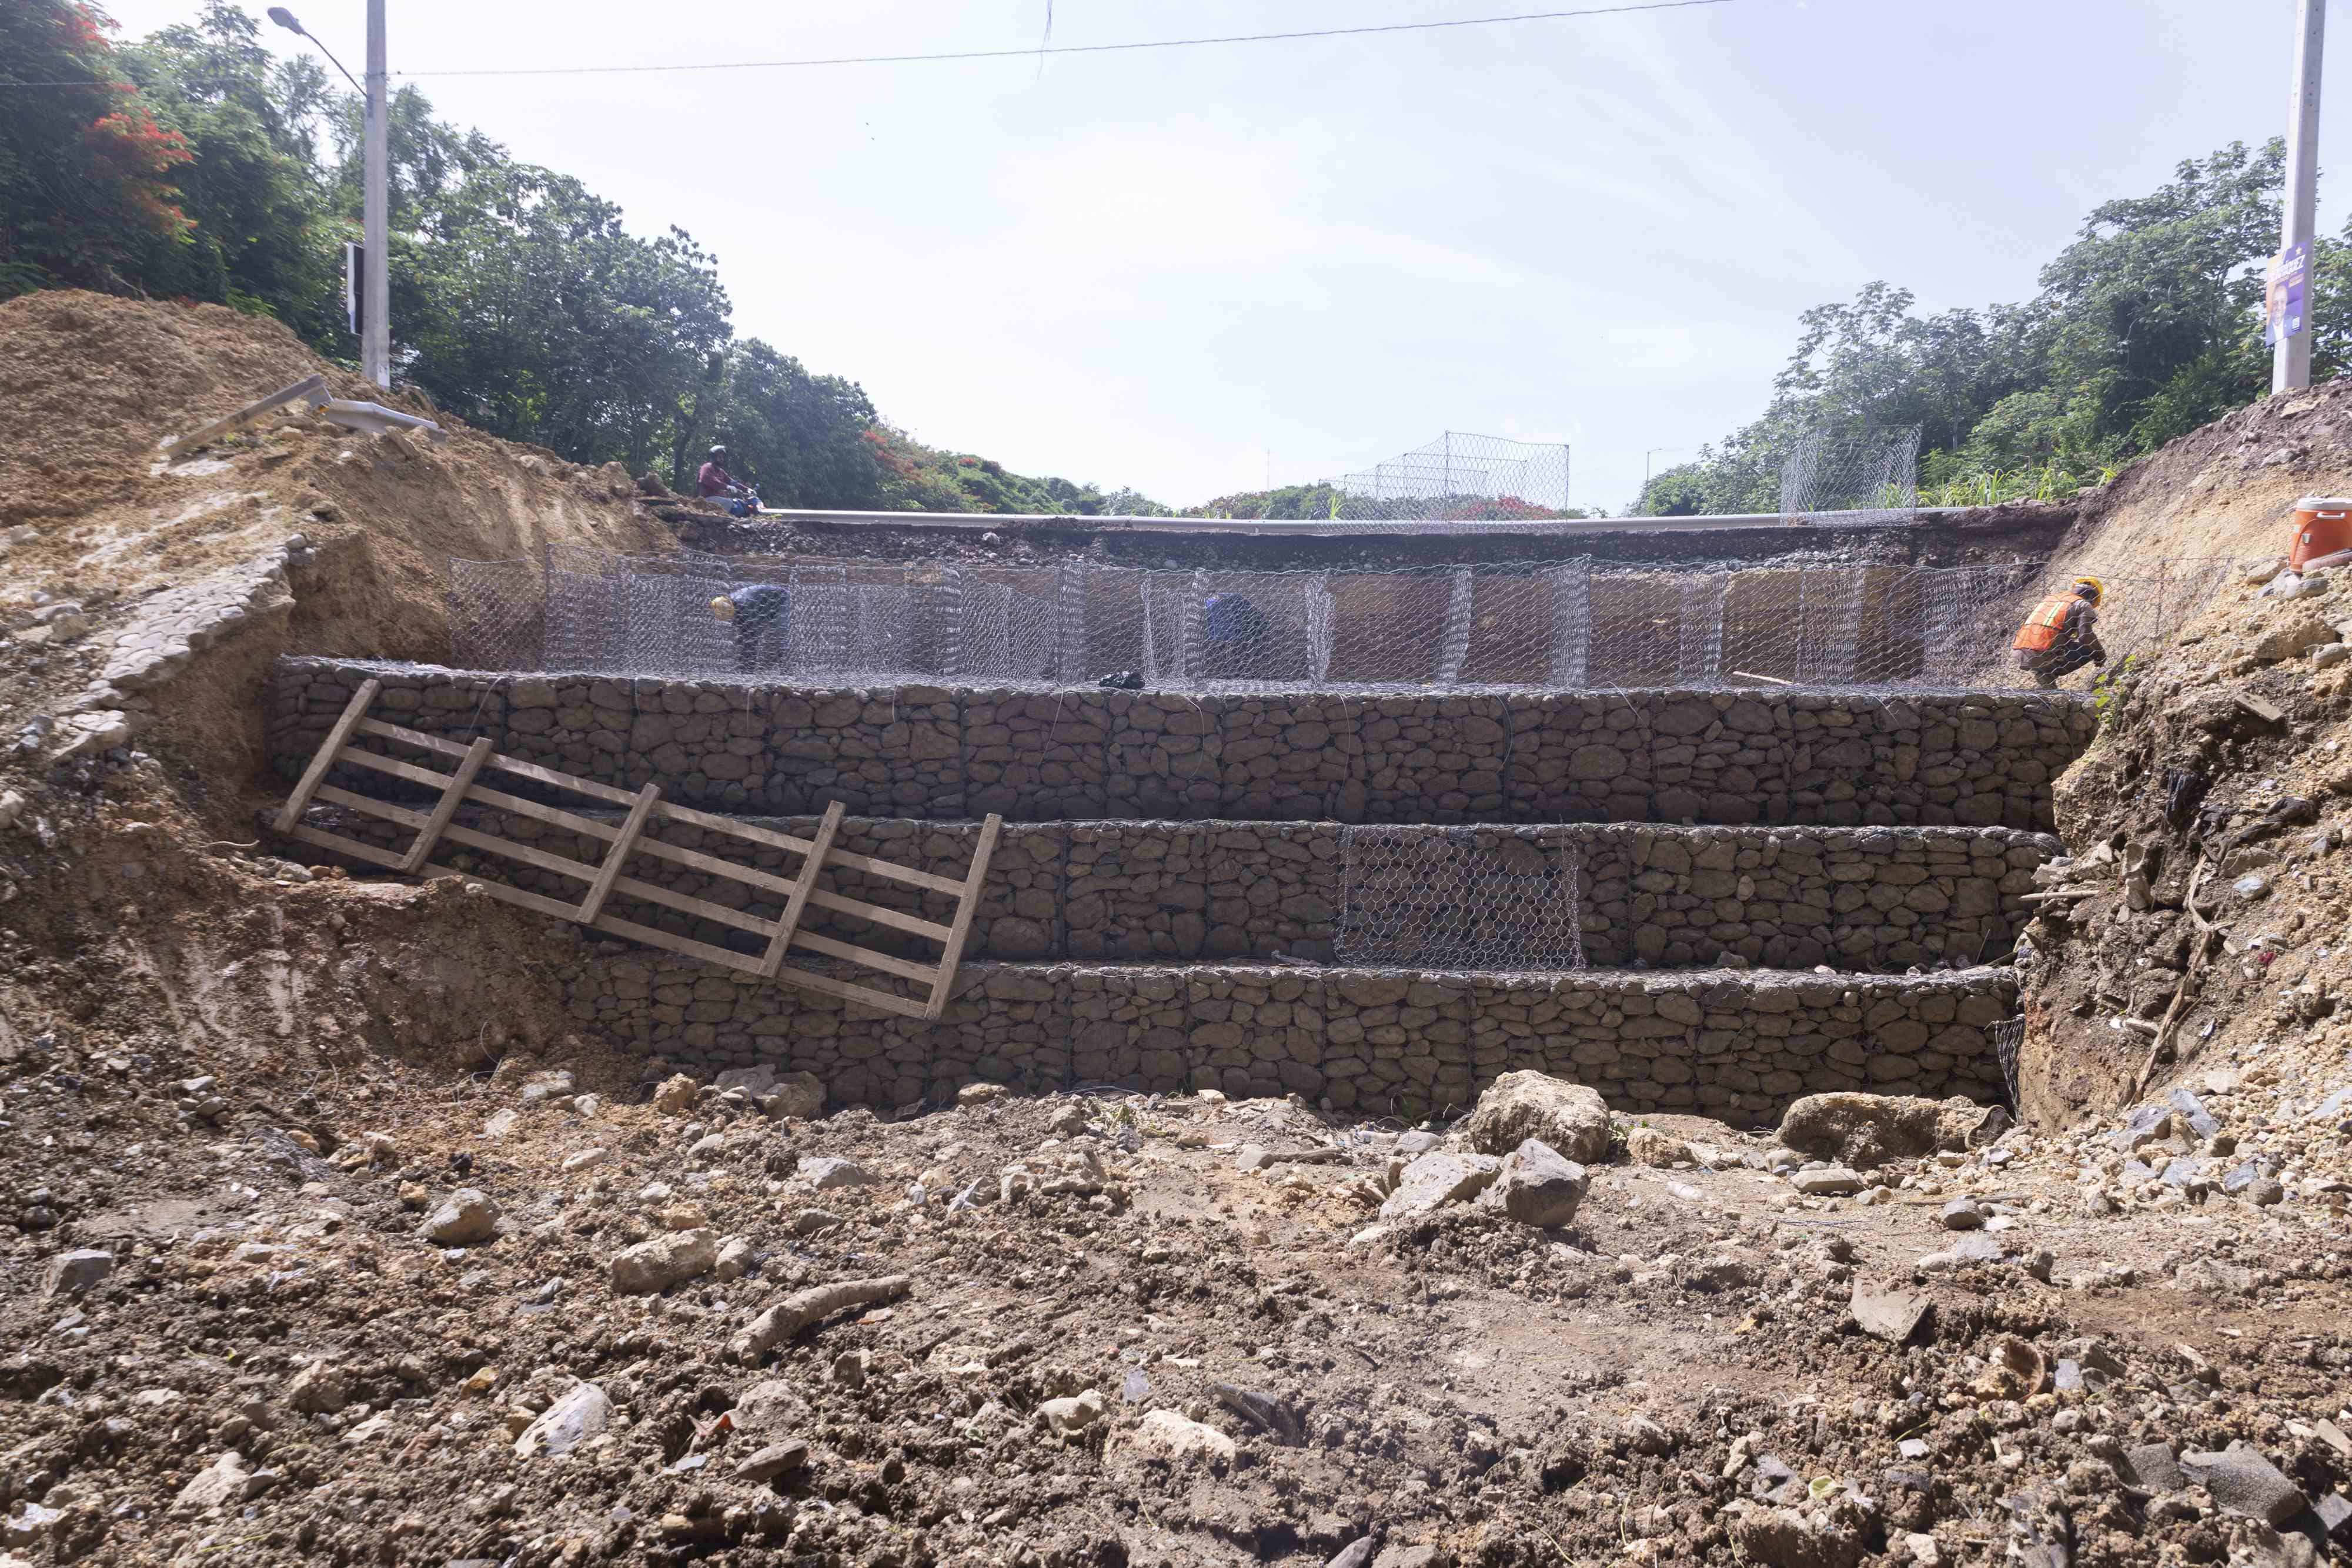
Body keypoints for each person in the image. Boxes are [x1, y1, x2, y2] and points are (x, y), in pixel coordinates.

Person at [2012, 576, 2107, 689]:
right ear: (2093, 596)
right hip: (2042, 652)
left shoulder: (2050, 599)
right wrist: (2100, 654)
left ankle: (2045, 679)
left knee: (2062, 641)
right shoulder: (2083, 604)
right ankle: (2048, 673)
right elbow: (2085, 636)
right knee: (2090, 648)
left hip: (2019, 650)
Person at [710, 583, 791, 674]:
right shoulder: (731, 602)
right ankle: (747, 667)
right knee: (747, 638)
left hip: (782, 599)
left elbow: (752, 633)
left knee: (780, 635)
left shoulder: (745, 606)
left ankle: (787, 667)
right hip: (766, 603)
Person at [1202, 591, 1272, 680]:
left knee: (1232, 654)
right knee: (1230, 653)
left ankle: (1231, 673)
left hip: (1237, 634)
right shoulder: (1226, 603)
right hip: (1234, 634)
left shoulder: (1228, 602)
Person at [696, 445, 756, 519]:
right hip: (707, 500)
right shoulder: (706, 468)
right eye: (719, 457)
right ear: (713, 458)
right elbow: (710, 480)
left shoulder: (721, 472)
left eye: (722, 457)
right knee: (728, 503)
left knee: (741, 503)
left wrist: (747, 489)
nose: (722, 459)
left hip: (718, 500)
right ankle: (719, 522)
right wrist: (727, 487)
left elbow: (731, 481)